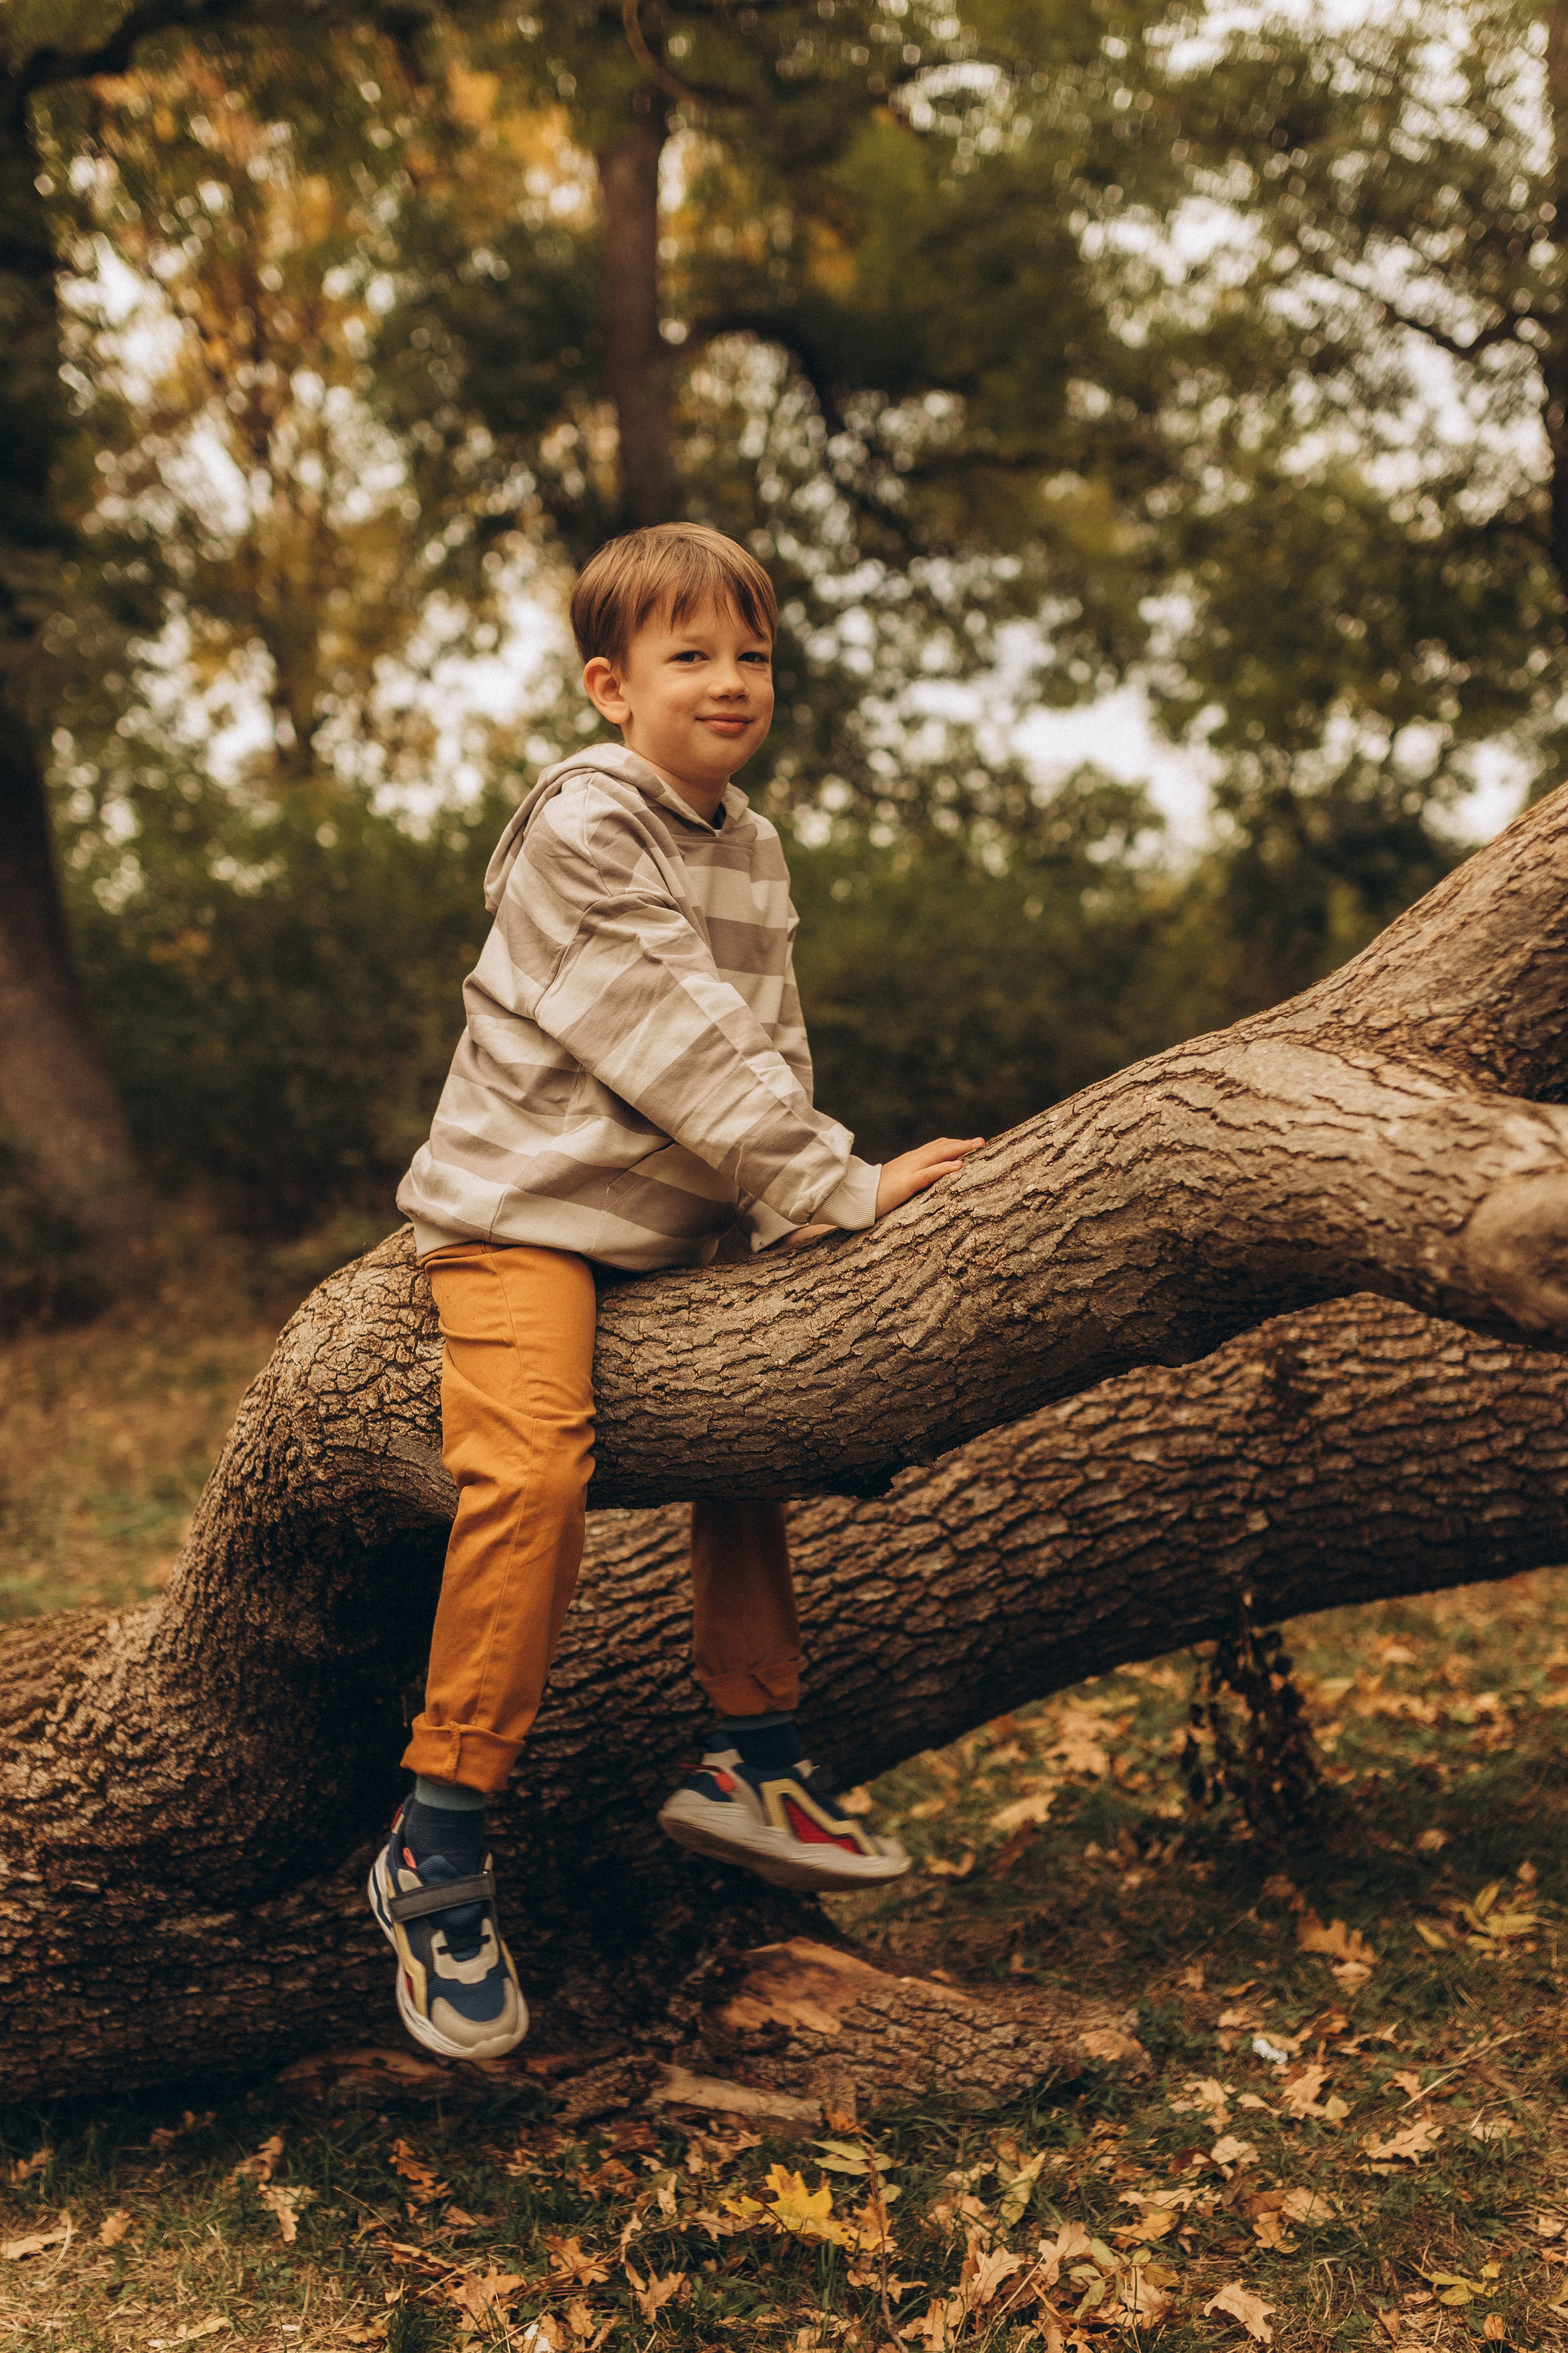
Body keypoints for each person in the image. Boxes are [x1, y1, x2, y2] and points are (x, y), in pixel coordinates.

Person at [371, 521, 984, 2060]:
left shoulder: (752, 845)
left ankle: (751, 1754)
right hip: (526, 1226)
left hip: (670, 1231)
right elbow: (678, 1042)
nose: (730, 681)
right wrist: (834, 1182)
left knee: (758, 1418)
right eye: (689, 655)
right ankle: (437, 1843)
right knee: (531, 1470)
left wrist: (798, 1234)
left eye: (751, 654)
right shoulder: (586, 825)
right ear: (608, 685)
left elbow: (765, 1049)